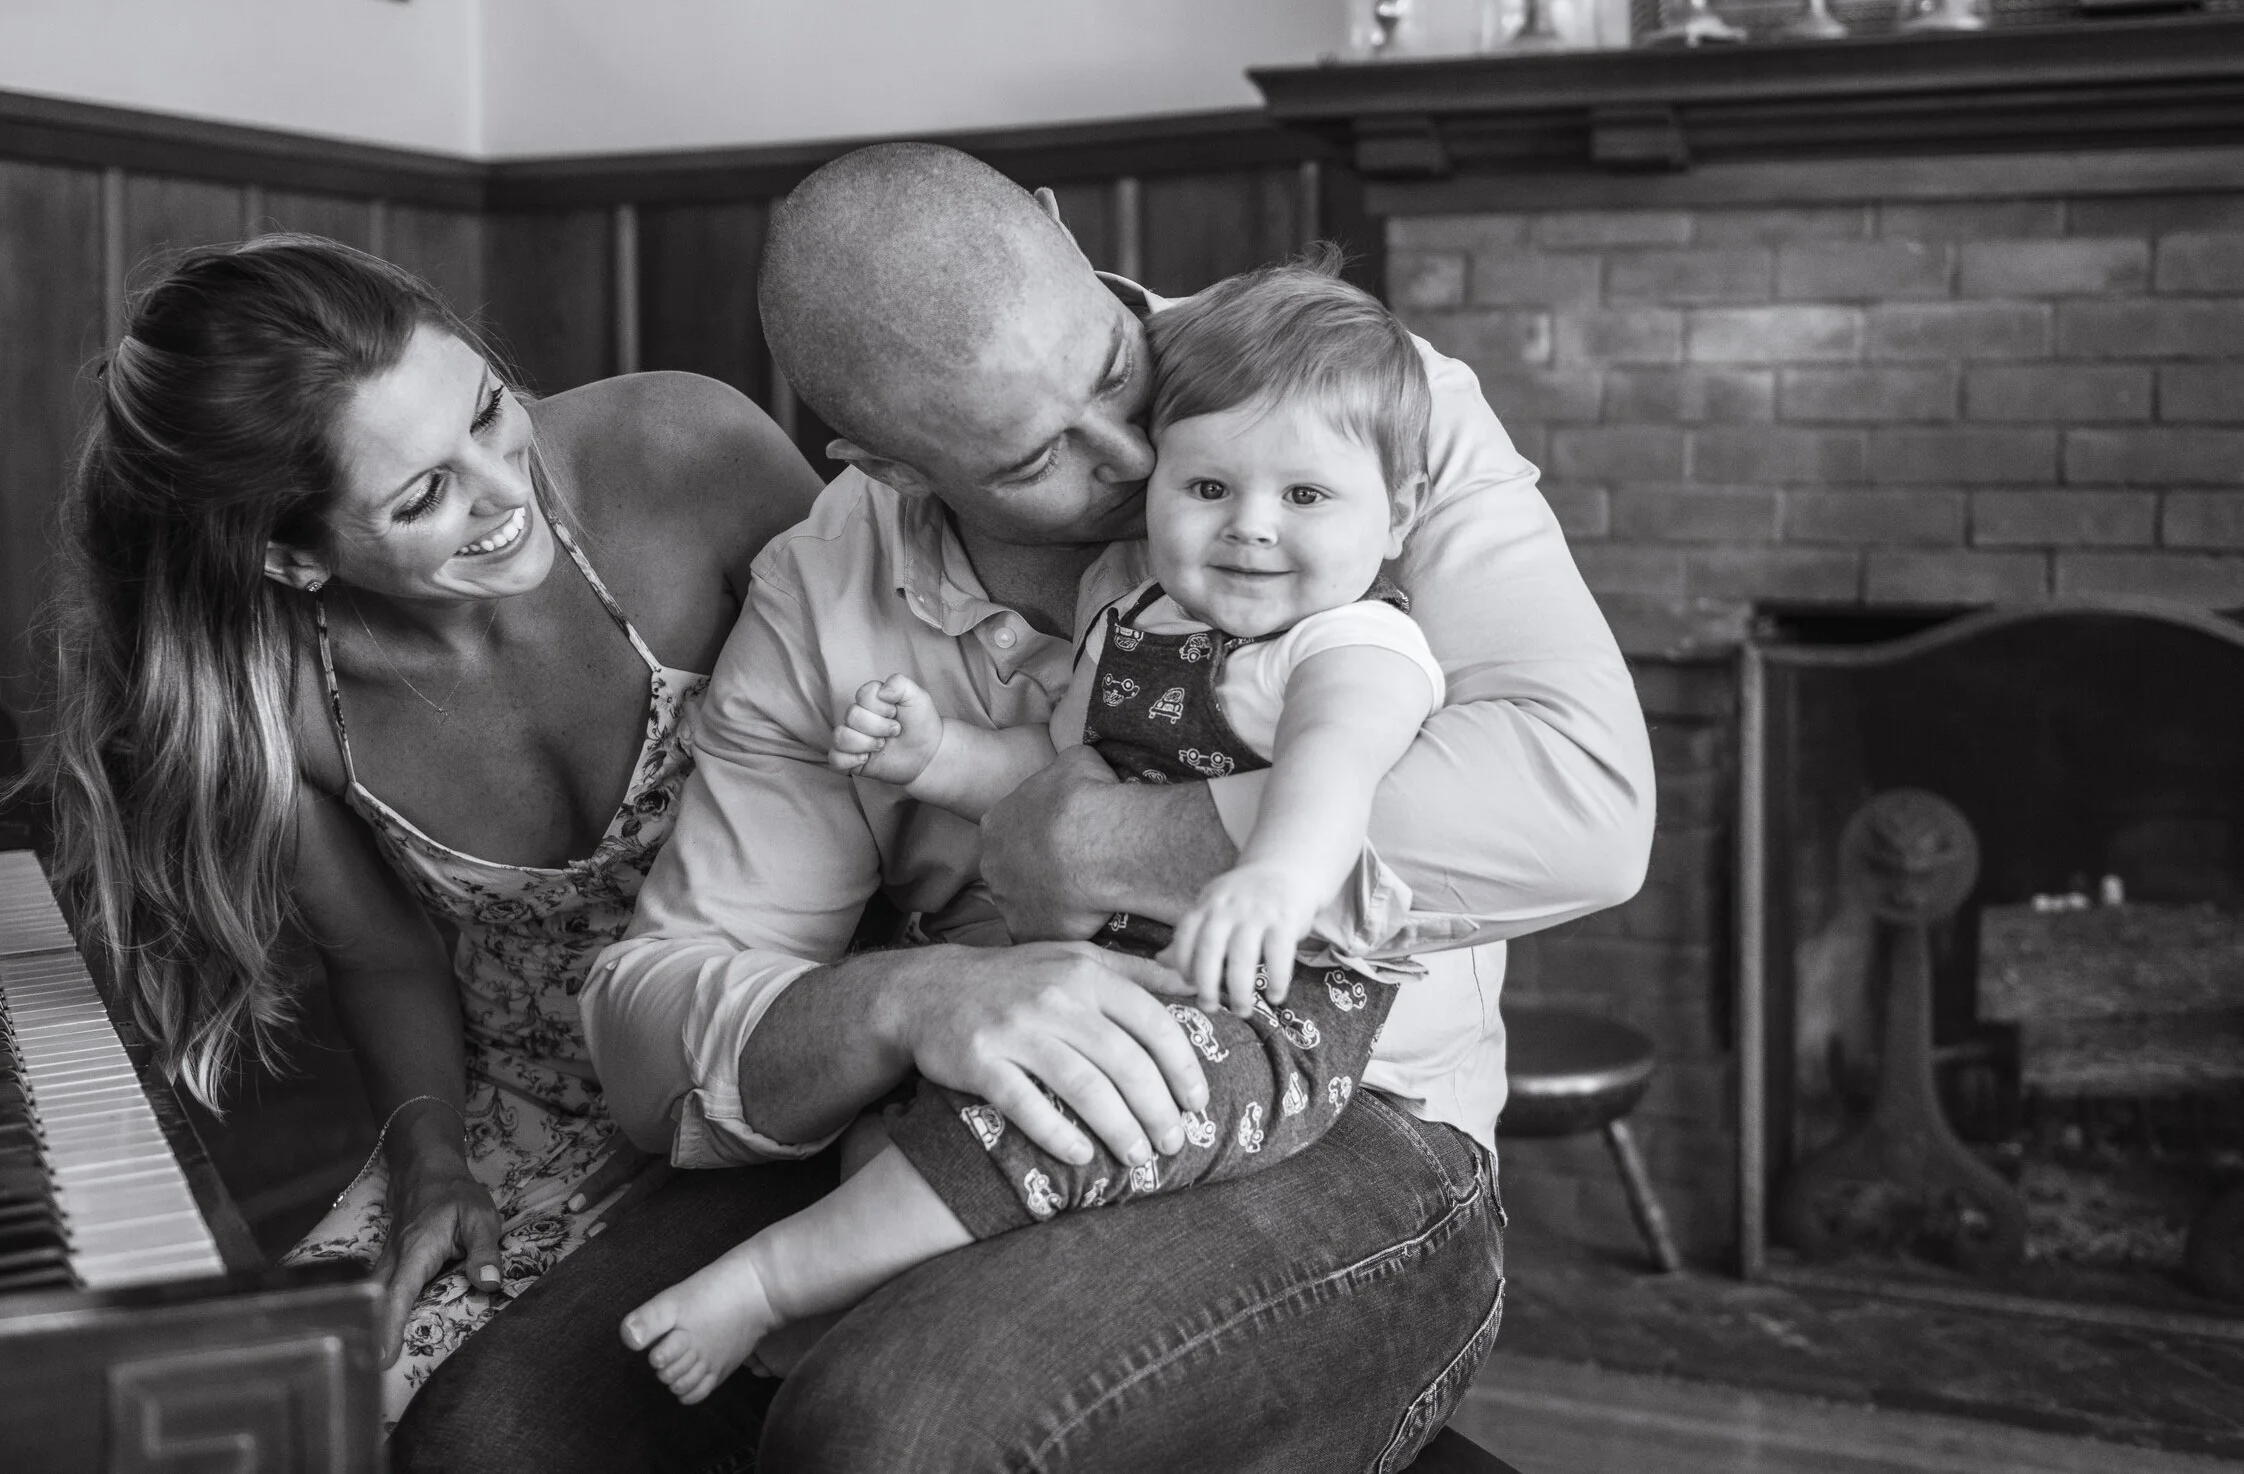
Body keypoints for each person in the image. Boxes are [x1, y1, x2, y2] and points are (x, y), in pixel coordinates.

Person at [391, 144, 1654, 1474]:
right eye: (1039, 453)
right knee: (496, 1437)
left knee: (897, 1429)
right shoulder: (825, 588)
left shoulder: (1345, 397)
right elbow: (655, 1018)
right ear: (880, 462)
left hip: (1352, 1111)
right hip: (974, 1093)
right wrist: (910, 1001)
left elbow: (1583, 801)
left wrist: (1104, 843)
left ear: (1059, 228)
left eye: (1112, 365)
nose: (1127, 455)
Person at [621, 252, 1451, 1405]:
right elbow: (1059, 777)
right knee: (913, 1130)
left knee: (1053, 1132)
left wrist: (1274, 876)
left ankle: (775, 1281)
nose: (1251, 526)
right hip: (1088, 976)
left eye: (1304, 498)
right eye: (1209, 489)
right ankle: (841, 1314)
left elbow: (1334, 764)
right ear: (896, 468)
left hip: (1264, 1003)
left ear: (1395, 511)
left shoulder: (1347, 642)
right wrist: (937, 759)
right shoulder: (1139, 610)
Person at [30, 234, 818, 1425]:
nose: (508, 490)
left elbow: (908, 663)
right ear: (291, 556)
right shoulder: (266, 695)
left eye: (489, 413)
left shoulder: (688, 448)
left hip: (792, 1042)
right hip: (537, 1105)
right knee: (284, 1413)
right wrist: (430, 1152)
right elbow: (384, 953)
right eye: (421, 494)